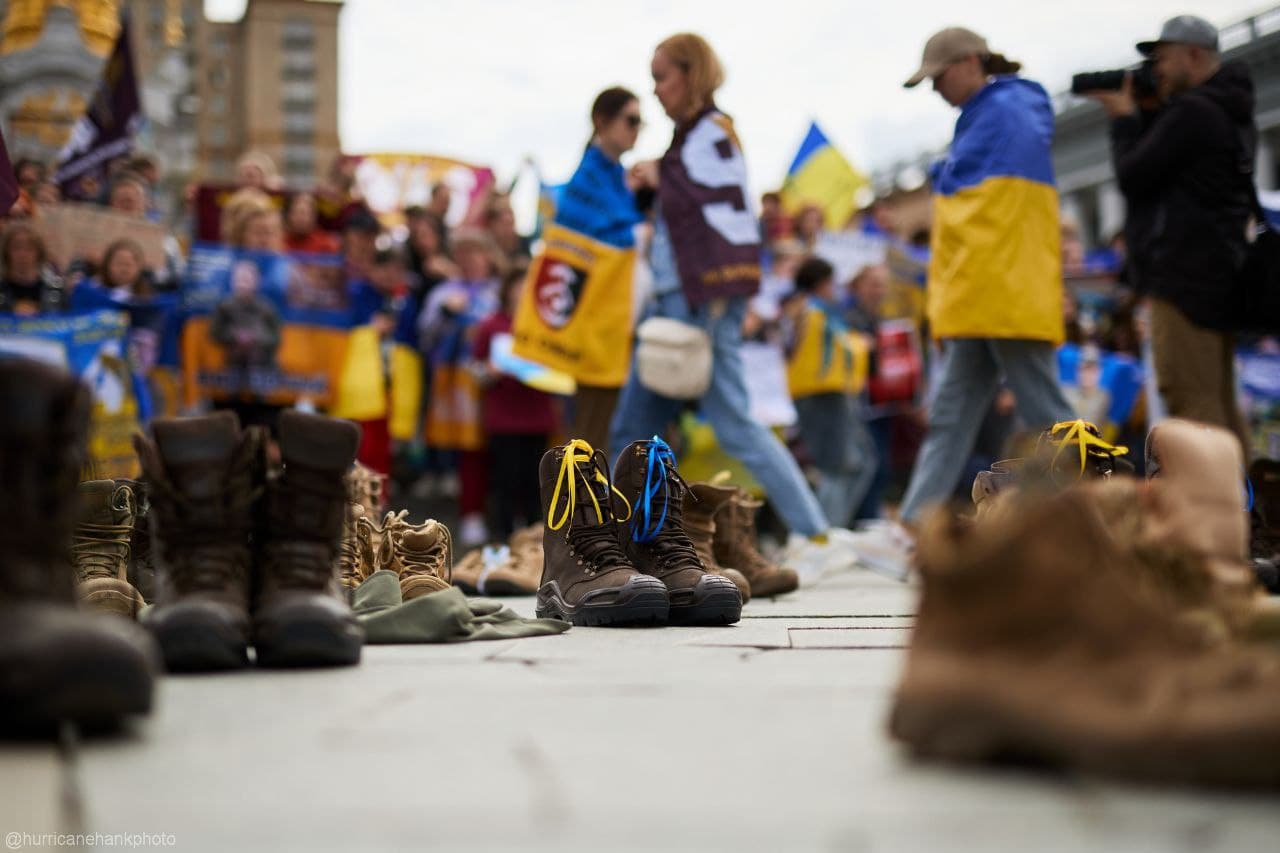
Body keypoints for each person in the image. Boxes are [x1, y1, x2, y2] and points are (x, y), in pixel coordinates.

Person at [610, 32, 852, 578]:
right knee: (638, 425)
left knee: (711, 422)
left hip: (696, 300)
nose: (656, 90)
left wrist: (658, 174)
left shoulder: (710, 132)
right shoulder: (696, 136)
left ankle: (814, 531)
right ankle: (621, 542)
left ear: (691, 75)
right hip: (686, 298)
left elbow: (714, 200)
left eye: (663, 76)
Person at [888, 26, 1074, 535]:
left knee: (1049, 415)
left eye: (938, 76)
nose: (934, 89)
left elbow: (991, 212)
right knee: (953, 418)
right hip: (984, 296)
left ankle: (1098, 514)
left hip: (1001, 294)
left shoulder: (1006, 112)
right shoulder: (993, 117)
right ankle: (911, 528)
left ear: (971, 62)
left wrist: (947, 173)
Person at [1088, 15, 1254, 454]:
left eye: (1163, 58)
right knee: (1219, 407)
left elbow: (1133, 176)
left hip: (1182, 283)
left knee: (1193, 409)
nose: (1155, 69)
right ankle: (1247, 515)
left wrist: (1124, 119)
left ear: (1194, 55)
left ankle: (1216, 517)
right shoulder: (1225, 107)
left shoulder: (1193, 112)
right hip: (1214, 281)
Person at [547, 85, 646, 450]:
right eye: (631, 120)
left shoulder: (615, 178)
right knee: (593, 433)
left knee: (620, 432)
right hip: (596, 321)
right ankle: (582, 508)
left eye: (641, 122)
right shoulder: (588, 178)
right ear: (602, 121)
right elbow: (598, 243)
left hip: (620, 320)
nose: (637, 129)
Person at [418, 228, 502, 548]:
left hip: (497, 378)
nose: (469, 260)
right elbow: (425, 336)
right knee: (468, 447)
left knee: (498, 446)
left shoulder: (498, 291)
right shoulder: (443, 293)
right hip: (456, 379)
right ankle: (470, 514)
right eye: (462, 254)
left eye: (475, 253)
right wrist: (445, 314)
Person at [781, 257, 877, 530]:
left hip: (829, 393)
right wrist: (862, 345)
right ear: (823, 283)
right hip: (823, 393)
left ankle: (831, 529)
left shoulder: (806, 309)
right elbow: (838, 349)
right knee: (838, 466)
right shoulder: (812, 311)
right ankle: (825, 533)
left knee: (859, 463)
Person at [472, 267, 559, 539]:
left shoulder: (548, 324)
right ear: (507, 289)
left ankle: (535, 542)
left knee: (537, 484)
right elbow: (475, 370)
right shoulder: (491, 325)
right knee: (505, 483)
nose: (522, 292)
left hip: (538, 417)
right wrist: (490, 371)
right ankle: (505, 540)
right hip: (503, 418)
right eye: (518, 286)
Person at [0, 222, 66, 314]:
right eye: (17, 247)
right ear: (7, 252)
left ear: (39, 252)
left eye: (29, 248)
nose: (22, 254)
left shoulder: (56, 293)